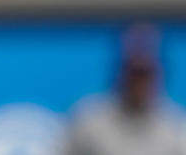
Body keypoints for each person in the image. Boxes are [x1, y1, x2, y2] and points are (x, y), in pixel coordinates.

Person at [64, 23, 186, 155]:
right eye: (134, 71)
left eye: (145, 72)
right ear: (119, 70)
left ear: (160, 72)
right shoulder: (87, 121)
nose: (139, 83)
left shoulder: (178, 128)